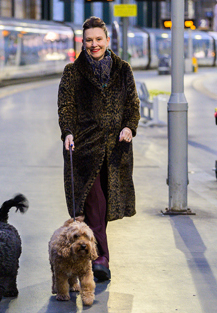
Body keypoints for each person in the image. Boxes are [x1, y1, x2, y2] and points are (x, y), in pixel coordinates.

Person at [57, 17, 140, 282]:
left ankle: (89, 257)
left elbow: (132, 104)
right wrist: (68, 132)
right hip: (84, 149)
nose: (94, 44)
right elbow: (66, 107)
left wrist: (129, 126)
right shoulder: (73, 72)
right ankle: (101, 257)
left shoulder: (123, 69)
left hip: (116, 151)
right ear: (83, 42)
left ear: (107, 40)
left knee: (104, 207)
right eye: (89, 40)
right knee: (94, 204)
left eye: (98, 39)